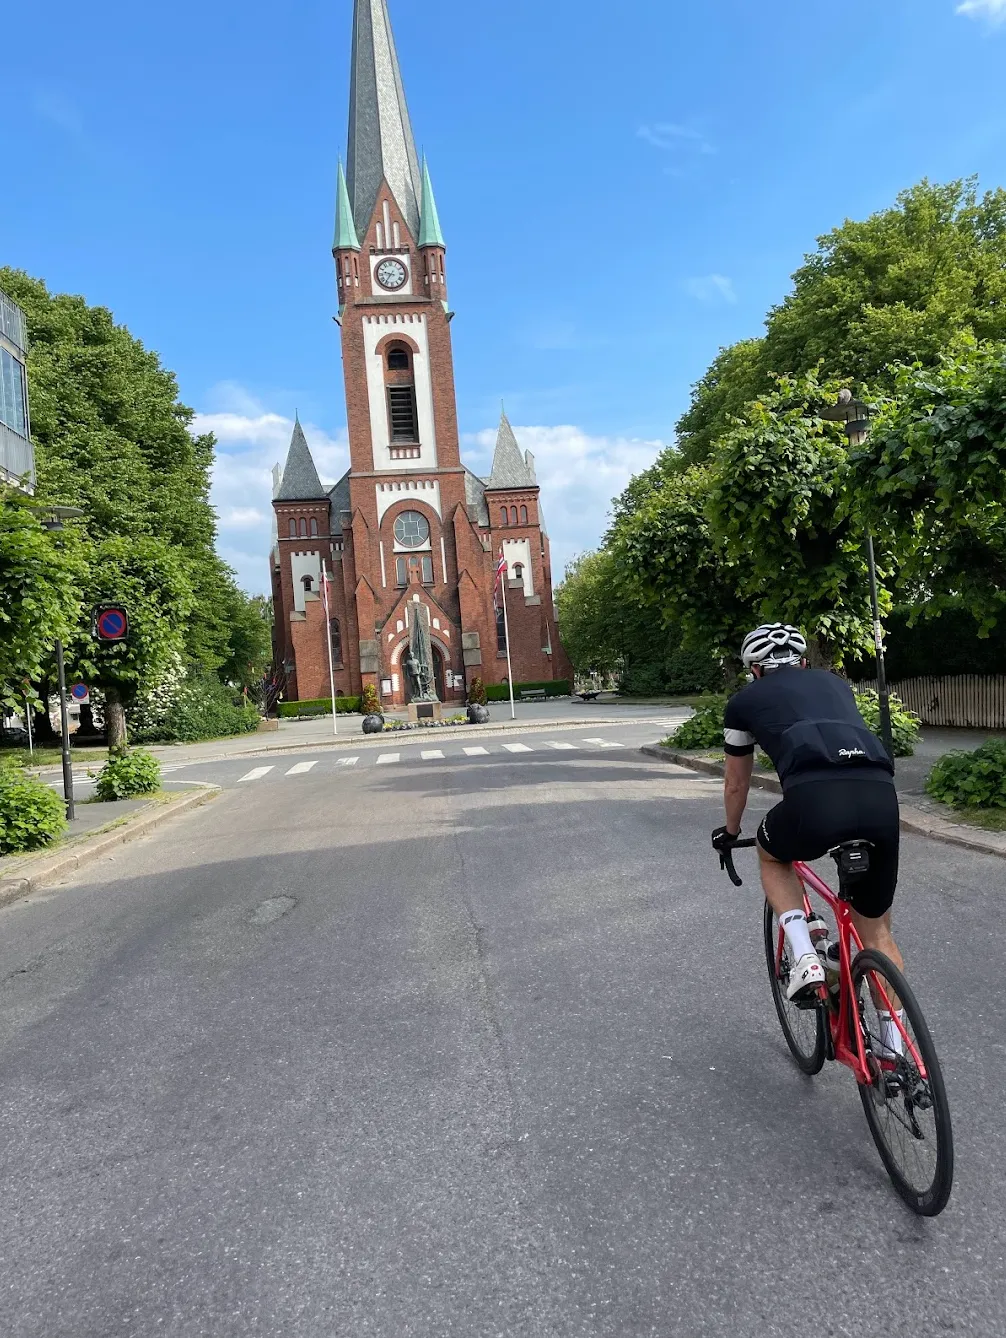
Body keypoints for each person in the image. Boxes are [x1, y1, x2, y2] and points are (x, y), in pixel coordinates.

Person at [710, 624, 905, 1052]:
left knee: (772, 855)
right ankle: (896, 1052)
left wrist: (730, 832)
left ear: (755, 670)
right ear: (802, 661)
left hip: (814, 802)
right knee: (877, 934)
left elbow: (735, 786)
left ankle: (804, 956)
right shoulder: (835, 684)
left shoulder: (742, 703)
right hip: (879, 797)